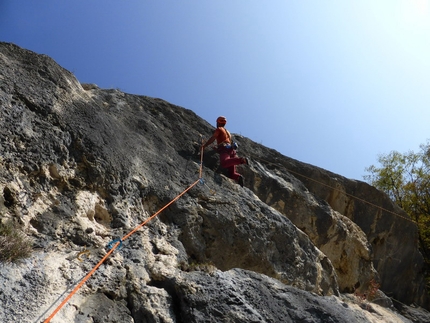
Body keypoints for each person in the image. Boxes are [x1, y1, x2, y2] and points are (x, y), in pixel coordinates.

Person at [202, 116, 249, 187]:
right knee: (231, 174)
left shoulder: (219, 129)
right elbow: (227, 141)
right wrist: (216, 149)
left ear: (218, 122)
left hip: (225, 149)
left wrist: (205, 146)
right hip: (232, 150)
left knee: (224, 163)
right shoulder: (228, 133)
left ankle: (242, 160)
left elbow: (213, 138)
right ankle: (238, 177)